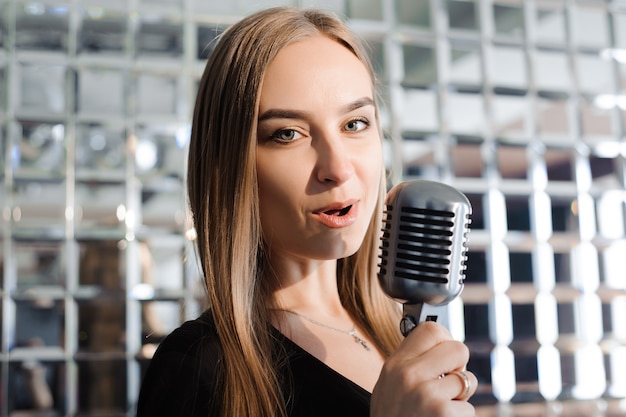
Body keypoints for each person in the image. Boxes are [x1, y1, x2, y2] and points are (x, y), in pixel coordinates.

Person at [136, 6, 477, 417]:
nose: (337, 168)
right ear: (230, 167)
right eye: (287, 134)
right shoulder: (197, 366)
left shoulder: (400, 337)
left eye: (354, 124)